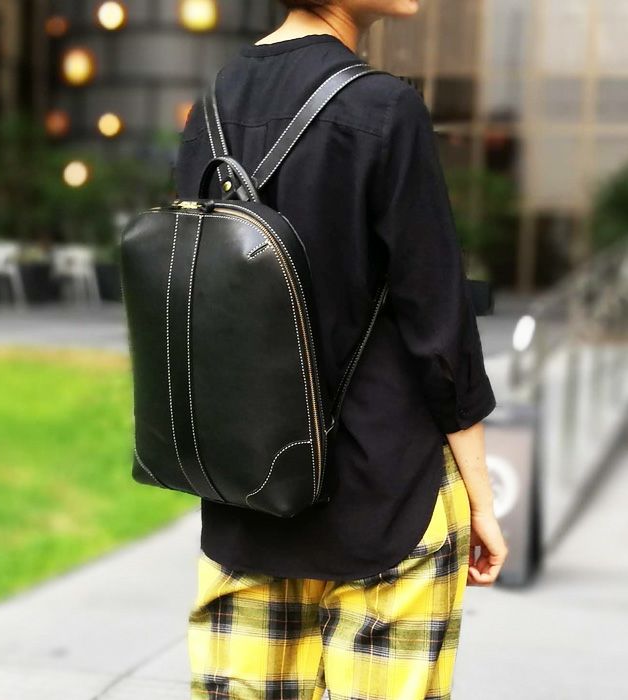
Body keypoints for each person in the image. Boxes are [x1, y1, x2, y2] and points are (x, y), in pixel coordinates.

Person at [173, 1, 509, 698]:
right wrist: (483, 498)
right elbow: (439, 325)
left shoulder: (209, 109)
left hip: (250, 498)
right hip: (387, 492)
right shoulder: (385, 108)